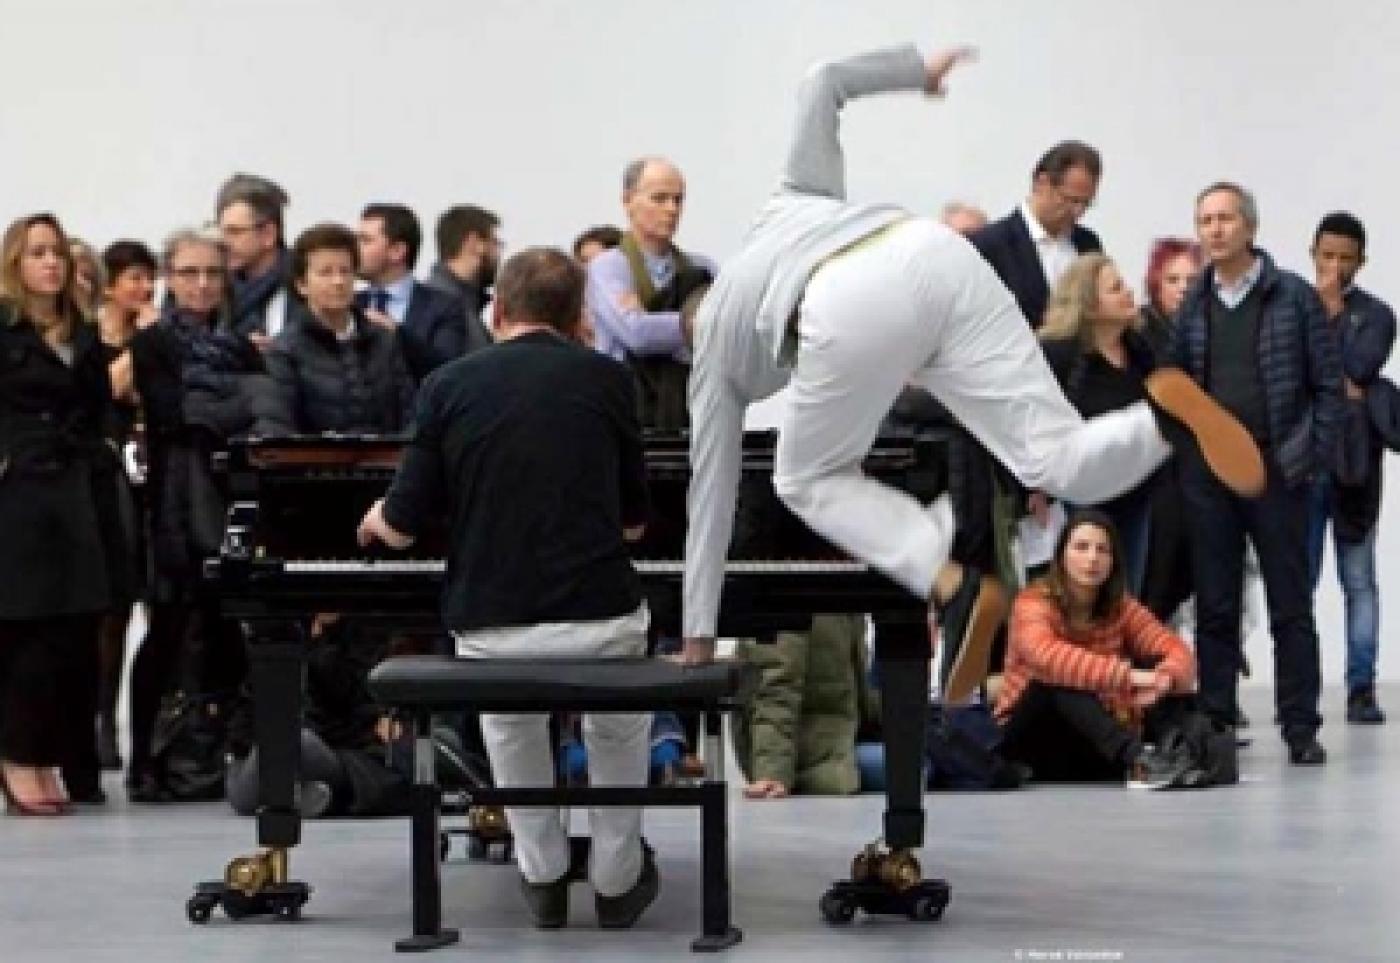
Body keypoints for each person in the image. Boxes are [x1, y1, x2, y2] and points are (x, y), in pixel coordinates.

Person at [678, 43, 1265, 715]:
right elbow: (822, 82)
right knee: (1056, 456)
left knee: (803, 477)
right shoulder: (791, 201)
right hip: (932, 252)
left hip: (845, 301)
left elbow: (710, 495)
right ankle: (1163, 419)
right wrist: (918, 74)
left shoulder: (711, 349)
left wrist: (698, 633)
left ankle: (950, 581)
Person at [357, 248, 658, 930]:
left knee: (511, 723)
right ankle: (616, 878)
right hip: (599, 616)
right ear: (579, 318)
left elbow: (401, 526)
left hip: (495, 623)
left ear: (497, 311)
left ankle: (543, 872)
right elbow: (636, 523)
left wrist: (376, 518)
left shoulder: (447, 385)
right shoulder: (610, 380)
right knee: (618, 724)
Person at [1173, 182, 1341, 765]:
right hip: (1209, 477)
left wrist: (1306, 461)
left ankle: (1300, 727)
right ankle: (1216, 724)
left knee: (1290, 605)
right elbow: (1178, 390)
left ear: (1249, 226)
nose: (1213, 230)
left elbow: (1327, 388)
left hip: (1279, 474)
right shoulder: (1193, 300)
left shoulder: (1292, 297)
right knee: (1215, 605)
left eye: (1223, 218)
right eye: (1204, 220)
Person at [125, 226, 267, 800]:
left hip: (228, 496)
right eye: (189, 273)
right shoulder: (152, 344)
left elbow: (258, 410)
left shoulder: (239, 346)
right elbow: (172, 413)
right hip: (172, 504)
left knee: (227, 632)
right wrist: (231, 407)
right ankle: (143, 760)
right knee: (166, 631)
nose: (202, 284)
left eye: (212, 272)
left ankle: (210, 753)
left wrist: (220, 409)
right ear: (170, 277)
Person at [0, 213, 114, 815]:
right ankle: (17, 756)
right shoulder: (5, 331)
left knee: (73, 632)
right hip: (19, 492)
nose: (50, 263)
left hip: (75, 491)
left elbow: (98, 411)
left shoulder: (82, 333)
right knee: (25, 632)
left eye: (57, 254)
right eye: (37, 253)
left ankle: (51, 756)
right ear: (15, 263)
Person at [994, 510, 1198, 787]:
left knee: (1167, 681)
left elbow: (1175, 649)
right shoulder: (1031, 602)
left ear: (1113, 561)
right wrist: (1132, 677)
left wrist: (1166, 678)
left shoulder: (1121, 607)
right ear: (1062, 556)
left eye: (1102, 550)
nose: (1092, 559)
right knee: (1056, 681)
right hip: (1032, 741)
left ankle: (1172, 756)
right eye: (1081, 547)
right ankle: (1141, 759)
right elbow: (1047, 657)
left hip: (1095, 741)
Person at [1305, 211, 1394, 724]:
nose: (1334, 267)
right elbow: (1297, 377)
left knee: (1359, 581)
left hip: (1357, 468)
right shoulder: (1292, 306)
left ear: (1361, 260)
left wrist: (1334, 314)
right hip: (1306, 466)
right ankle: (1302, 690)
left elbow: (1360, 369)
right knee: (1302, 582)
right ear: (1312, 252)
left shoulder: (1378, 314)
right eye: (1327, 255)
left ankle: (1362, 687)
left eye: (1345, 258)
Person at [1036, 253, 1160, 593]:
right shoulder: (1059, 354)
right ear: (1089, 304)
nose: (1128, 293)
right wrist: (1035, 486)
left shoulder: (1142, 350)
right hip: (1081, 494)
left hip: (1137, 491)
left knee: (1127, 593)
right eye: (1115, 288)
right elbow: (1033, 423)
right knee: (1082, 595)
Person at [585, 156, 716, 429]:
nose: (671, 209)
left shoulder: (702, 269)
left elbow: (723, 335)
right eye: (659, 198)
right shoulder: (608, 267)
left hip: (688, 411)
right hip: (626, 412)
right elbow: (636, 334)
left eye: (678, 200)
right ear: (628, 201)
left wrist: (651, 322)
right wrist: (691, 324)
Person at [259, 223, 414, 435]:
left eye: (345, 271)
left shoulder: (383, 341)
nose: (338, 281)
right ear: (302, 284)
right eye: (325, 273)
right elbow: (277, 427)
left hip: (386, 463)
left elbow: (410, 414)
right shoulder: (284, 351)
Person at [970, 140, 1104, 330]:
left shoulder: (1088, 243)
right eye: (1070, 200)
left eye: (1086, 203)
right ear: (1042, 183)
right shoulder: (990, 245)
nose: (1078, 212)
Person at [355, 203, 467, 383]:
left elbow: (448, 370)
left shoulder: (444, 307)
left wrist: (397, 335)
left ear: (397, 251)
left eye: (365, 240)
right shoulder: (348, 305)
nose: (353, 249)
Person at [216, 172, 298, 344]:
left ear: (269, 234)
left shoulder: (303, 289)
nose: (224, 242)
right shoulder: (212, 288)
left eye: (235, 232)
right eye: (222, 231)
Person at [425, 204, 502, 356]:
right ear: (474, 243)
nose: (499, 253)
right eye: (496, 243)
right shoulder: (442, 306)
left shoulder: (463, 304)